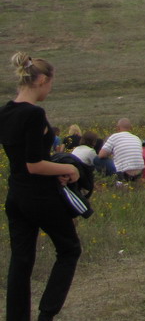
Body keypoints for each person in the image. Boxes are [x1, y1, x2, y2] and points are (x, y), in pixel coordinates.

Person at [0, 52, 82, 321]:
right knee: (69, 249)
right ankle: (47, 314)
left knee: (21, 261)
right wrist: (69, 169)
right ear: (42, 80)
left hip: (16, 195)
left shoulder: (5, 111)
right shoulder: (34, 113)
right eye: (50, 84)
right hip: (40, 196)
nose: (50, 90)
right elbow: (34, 164)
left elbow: (21, 159)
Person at [98, 119, 144, 184]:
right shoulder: (137, 138)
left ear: (118, 127)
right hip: (139, 173)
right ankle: (135, 180)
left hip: (123, 173)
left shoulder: (114, 137)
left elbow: (101, 155)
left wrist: (110, 153)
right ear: (131, 128)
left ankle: (108, 180)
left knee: (97, 160)